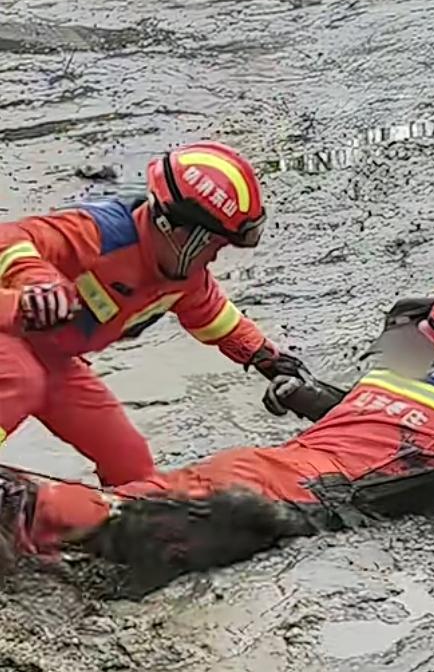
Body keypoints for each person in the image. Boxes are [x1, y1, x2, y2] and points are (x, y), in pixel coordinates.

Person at [0, 275, 434, 589]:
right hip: (286, 496)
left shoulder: (389, 376)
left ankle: (30, 508)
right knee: (134, 525)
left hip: (261, 465)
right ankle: (25, 504)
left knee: (133, 505)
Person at [0, 142, 306, 486]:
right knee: (21, 380)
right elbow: (11, 238)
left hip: (52, 357)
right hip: (9, 333)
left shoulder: (185, 279)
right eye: (213, 245)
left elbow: (216, 319)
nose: (214, 257)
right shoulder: (101, 234)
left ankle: (107, 516)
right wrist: (37, 282)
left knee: (130, 462)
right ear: (176, 231)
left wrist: (268, 361)